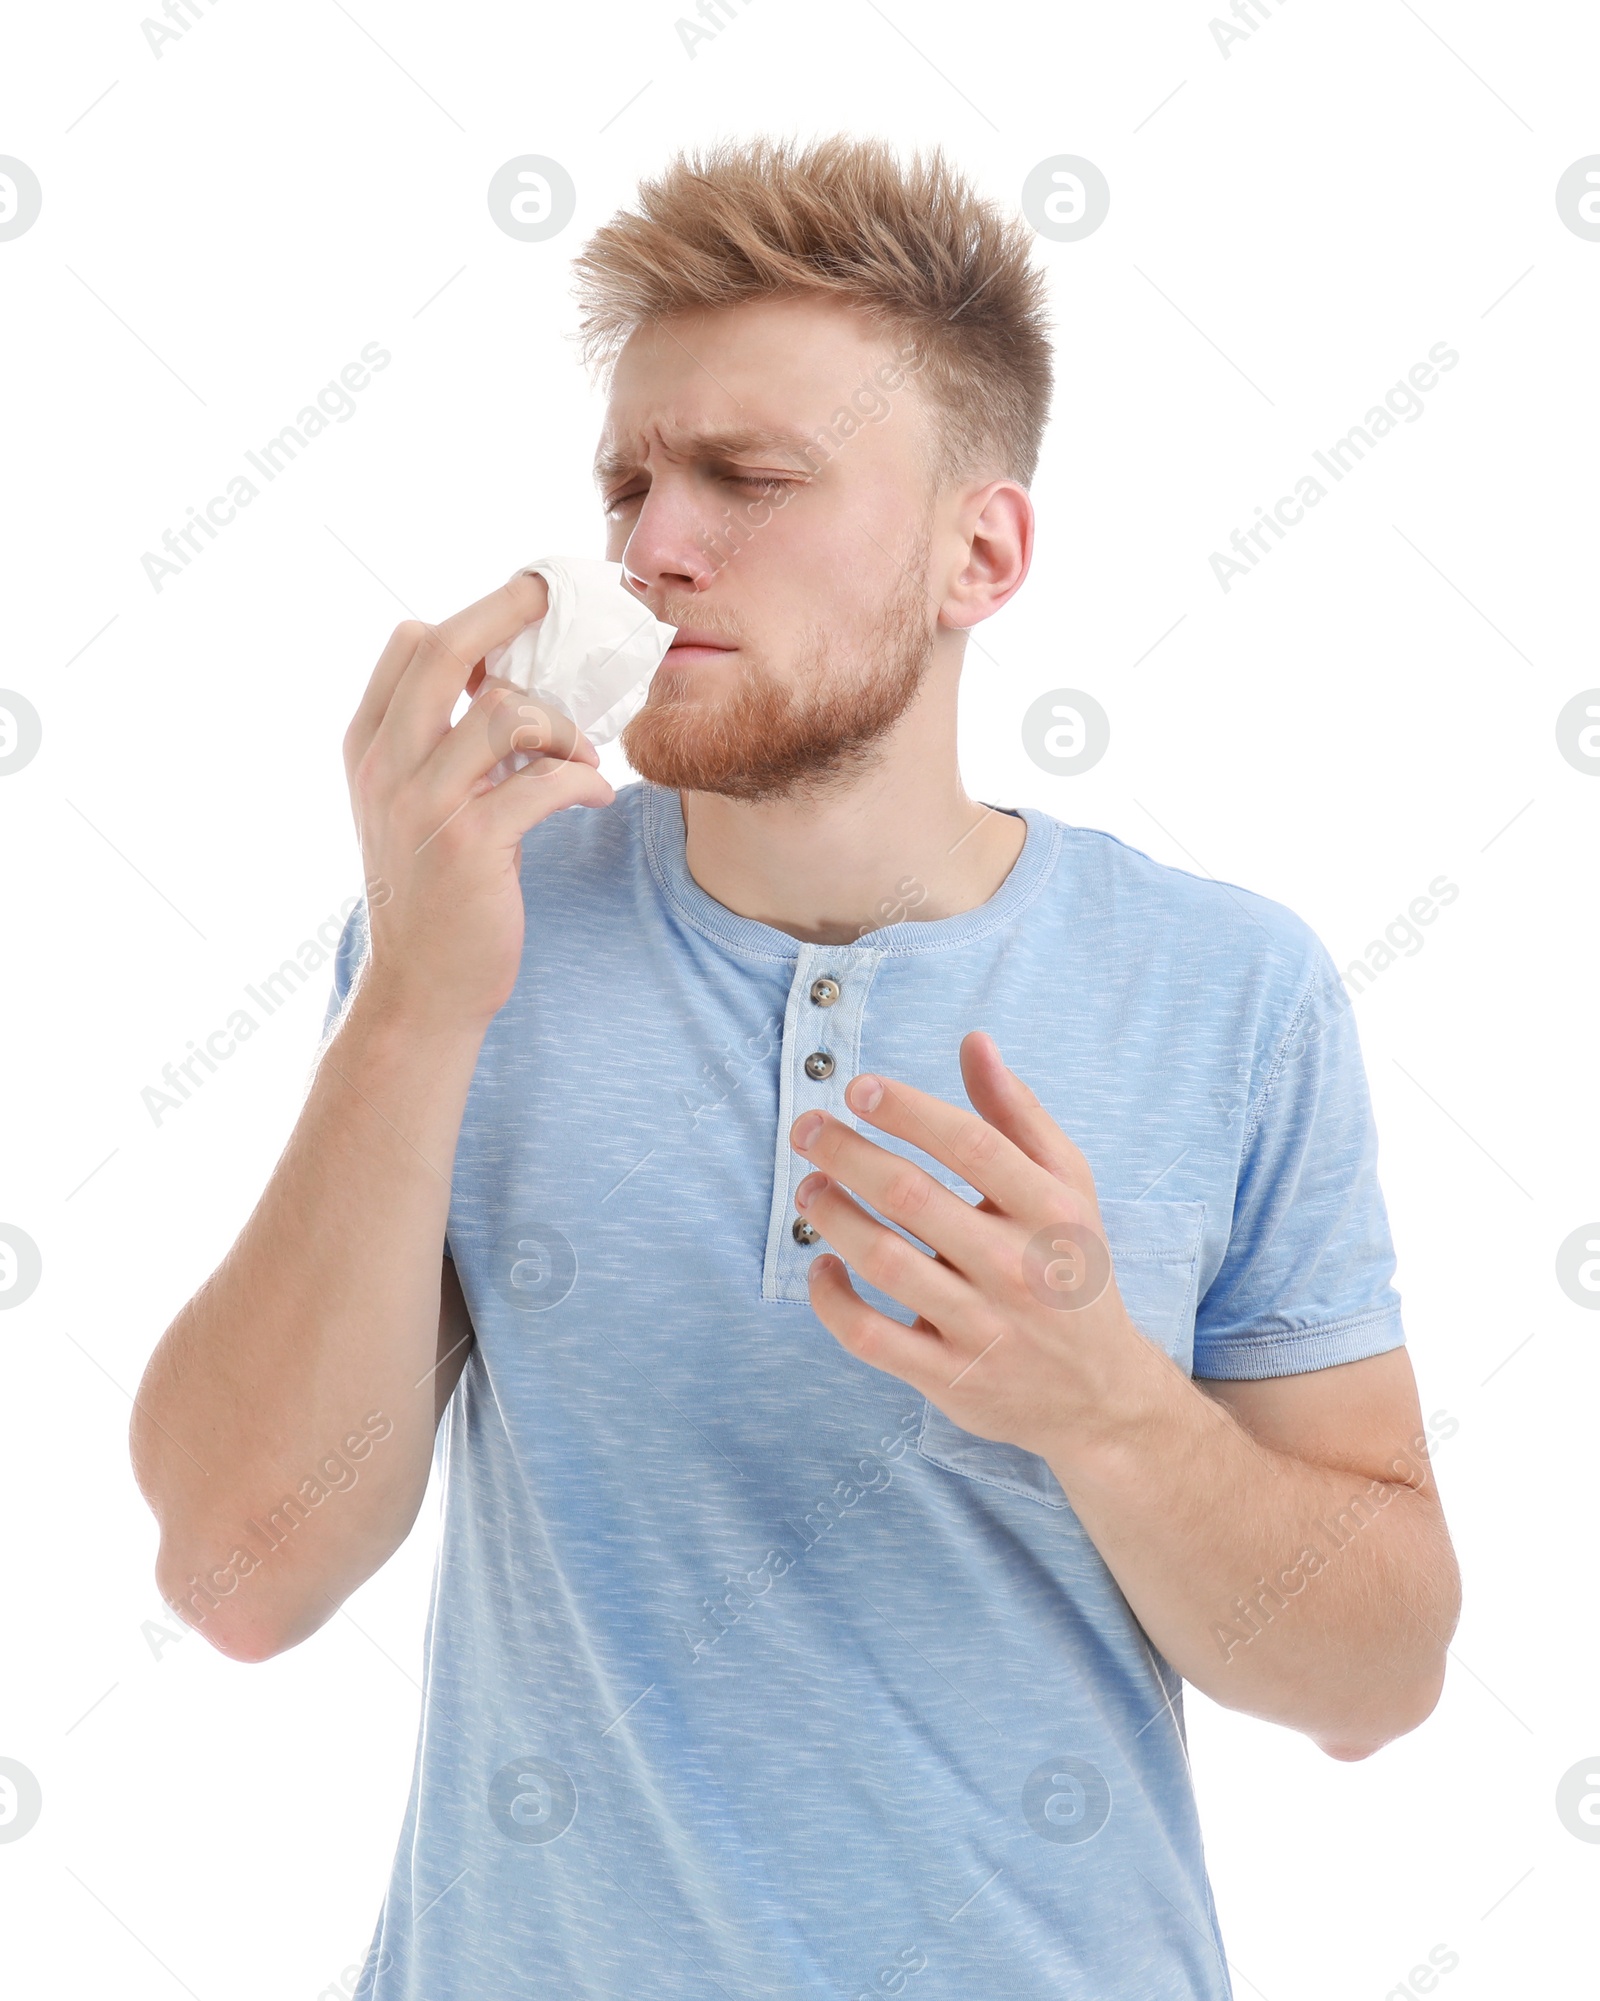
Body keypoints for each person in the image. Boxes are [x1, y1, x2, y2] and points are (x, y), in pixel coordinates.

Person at [131, 134, 1461, 2000]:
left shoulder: (1230, 990)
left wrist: (1105, 1406)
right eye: (630, 484)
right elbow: (240, 1571)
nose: (649, 546)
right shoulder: (470, 941)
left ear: (977, 554)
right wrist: (417, 1002)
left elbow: (1377, 1682)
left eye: (749, 480)